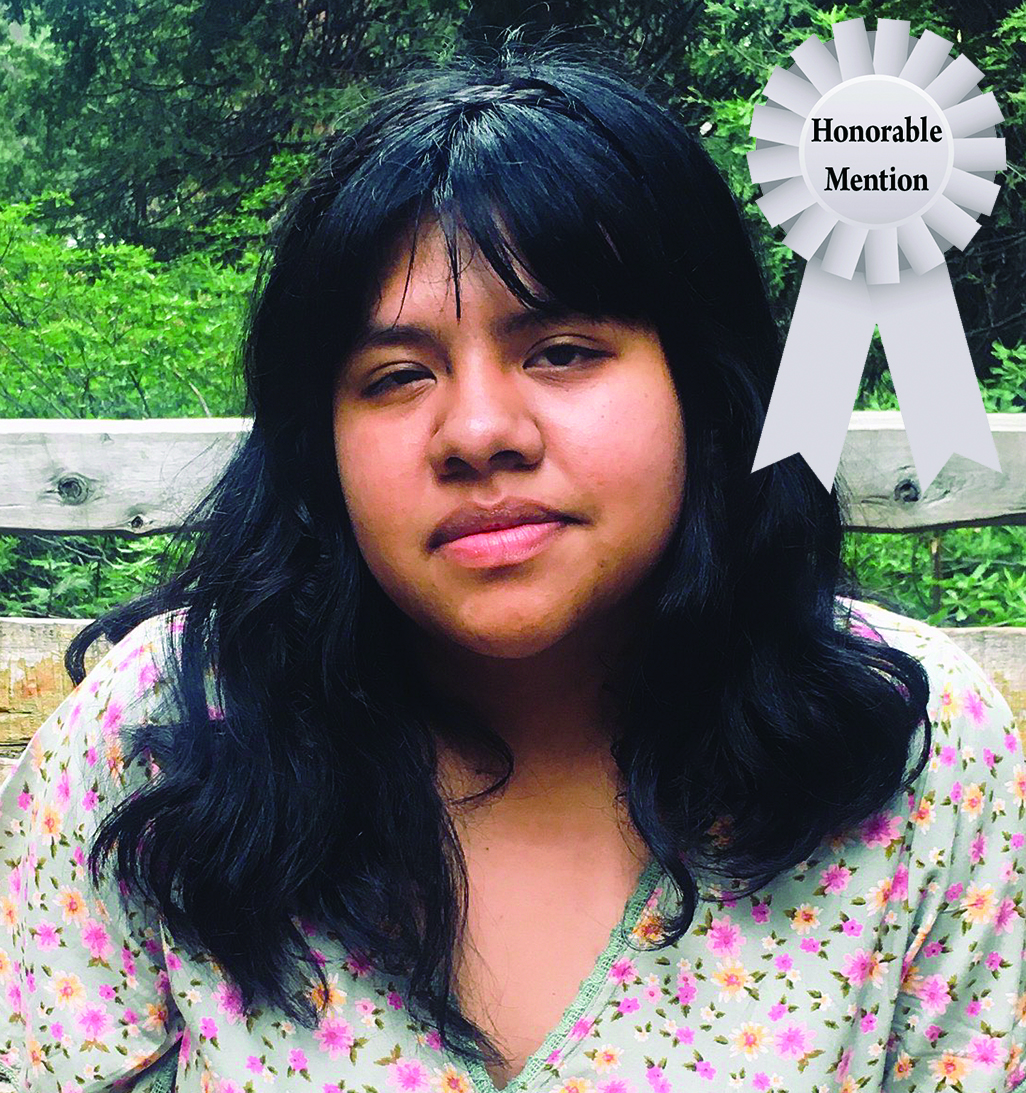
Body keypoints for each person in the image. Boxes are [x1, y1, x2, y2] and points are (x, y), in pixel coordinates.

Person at [1, 39, 1024, 1093]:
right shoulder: (161, 746)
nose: (479, 430)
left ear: (706, 391)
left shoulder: (919, 750)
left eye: (563, 351)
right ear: (323, 446)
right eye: (397, 374)